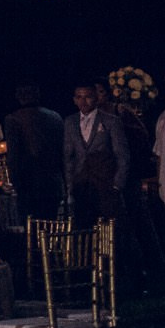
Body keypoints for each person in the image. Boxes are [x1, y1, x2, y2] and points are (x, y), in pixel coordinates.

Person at [65, 81, 129, 226]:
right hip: (81, 187)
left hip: (105, 186)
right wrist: (70, 188)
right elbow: (68, 157)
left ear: (95, 97)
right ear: (74, 100)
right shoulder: (70, 122)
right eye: (79, 97)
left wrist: (117, 186)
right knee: (83, 230)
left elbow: (122, 156)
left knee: (109, 231)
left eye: (87, 97)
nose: (83, 101)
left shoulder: (111, 121)